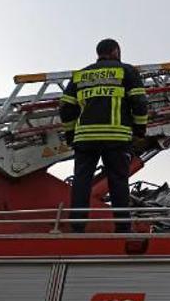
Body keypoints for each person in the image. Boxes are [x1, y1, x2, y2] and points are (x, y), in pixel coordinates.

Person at [59, 39, 148, 233]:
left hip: (85, 139)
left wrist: (71, 133)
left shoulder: (80, 75)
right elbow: (140, 103)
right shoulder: (127, 71)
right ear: (116, 51)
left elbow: (66, 108)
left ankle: (77, 226)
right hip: (116, 138)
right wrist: (140, 130)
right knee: (118, 182)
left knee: (81, 182)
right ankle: (122, 228)